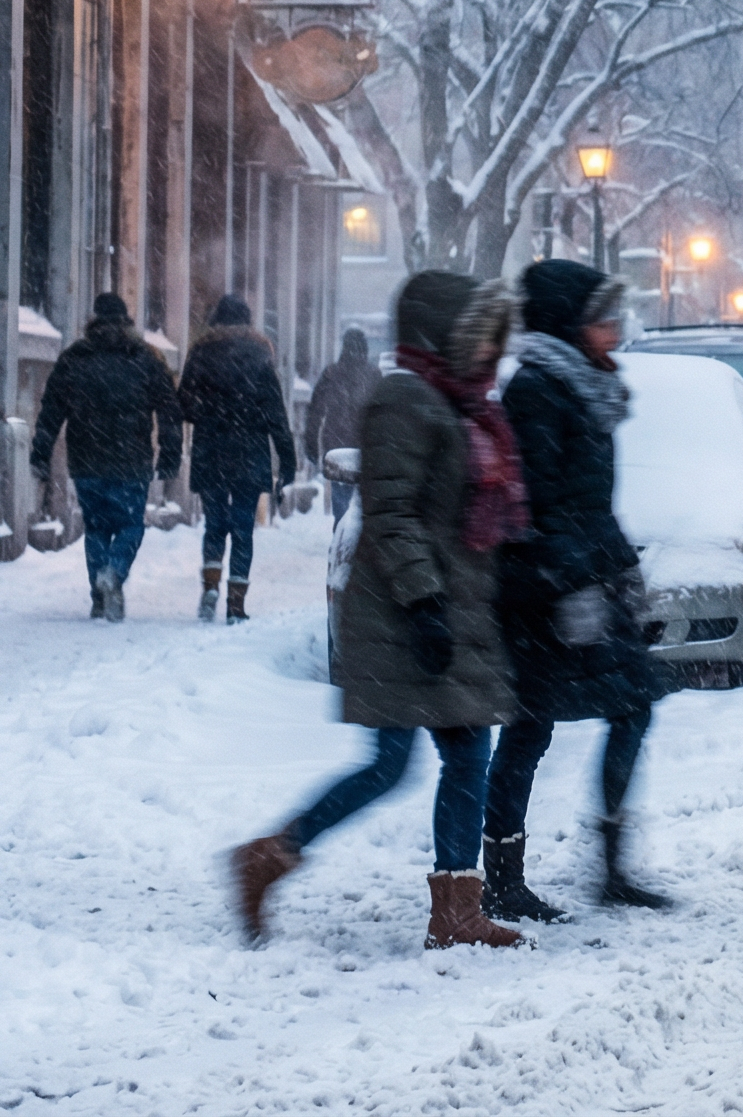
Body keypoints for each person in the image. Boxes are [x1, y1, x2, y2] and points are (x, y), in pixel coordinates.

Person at [230, 270, 529, 950]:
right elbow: (393, 515)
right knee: (393, 764)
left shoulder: (464, 406)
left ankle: (456, 909)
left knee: (464, 758)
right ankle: (267, 858)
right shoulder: (404, 401)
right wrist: (425, 602)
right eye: (474, 336)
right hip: (400, 615)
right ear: (437, 334)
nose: (486, 351)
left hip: (450, 612)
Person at [481, 259, 671, 921]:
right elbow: (540, 505)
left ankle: (612, 868)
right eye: (601, 317)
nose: (613, 329)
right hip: (545, 593)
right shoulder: (538, 390)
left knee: (633, 708)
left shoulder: (585, 387)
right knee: (529, 730)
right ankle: (502, 879)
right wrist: (571, 584)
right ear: (569, 322)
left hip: (591, 579)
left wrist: (625, 581)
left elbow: (592, 504)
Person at [31, 293, 182, 622]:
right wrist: (170, 454)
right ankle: (114, 573)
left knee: (97, 528)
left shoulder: (75, 358)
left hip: (87, 460)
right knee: (130, 525)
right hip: (132, 461)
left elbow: (50, 412)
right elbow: (169, 410)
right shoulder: (145, 357)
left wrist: (40, 453)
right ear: (126, 321)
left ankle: (99, 598)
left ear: (94, 320)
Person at [177, 295, 298, 623]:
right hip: (249, 451)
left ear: (216, 320)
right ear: (246, 321)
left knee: (215, 524)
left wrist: (211, 413)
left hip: (211, 449)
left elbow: (183, 403)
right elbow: (275, 412)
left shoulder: (200, 352)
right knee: (243, 528)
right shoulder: (260, 354)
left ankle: (210, 588)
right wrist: (287, 460)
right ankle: (235, 605)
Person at [304, 327, 380, 521]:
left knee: (341, 502)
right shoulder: (374, 375)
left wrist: (311, 446)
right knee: (364, 503)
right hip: (367, 447)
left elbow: (315, 413)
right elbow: (383, 414)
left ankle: (341, 539)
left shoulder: (331, 374)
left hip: (337, 446)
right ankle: (358, 542)